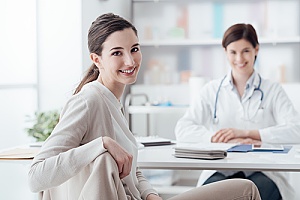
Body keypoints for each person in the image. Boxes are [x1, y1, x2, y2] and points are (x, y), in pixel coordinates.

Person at [28, 14, 261, 200]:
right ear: (96, 60)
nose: (130, 61)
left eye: (135, 49)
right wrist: (101, 144)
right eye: (117, 53)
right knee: (246, 192)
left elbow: (132, 171)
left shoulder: (113, 102)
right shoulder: (89, 101)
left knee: (245, 188)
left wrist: (151, 194)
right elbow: (36, 176)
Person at [175, 23, 300, 200]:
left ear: (256, 49)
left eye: (246, 51)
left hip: (262, 171)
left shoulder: (272, 90)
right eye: (233, 52)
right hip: (222, 168)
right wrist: (217, 137)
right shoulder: (212, 90)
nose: (239, 58)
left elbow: (296, 129)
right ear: (225, 52)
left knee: (254, 190)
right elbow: (183, 129)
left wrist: (251, 134)